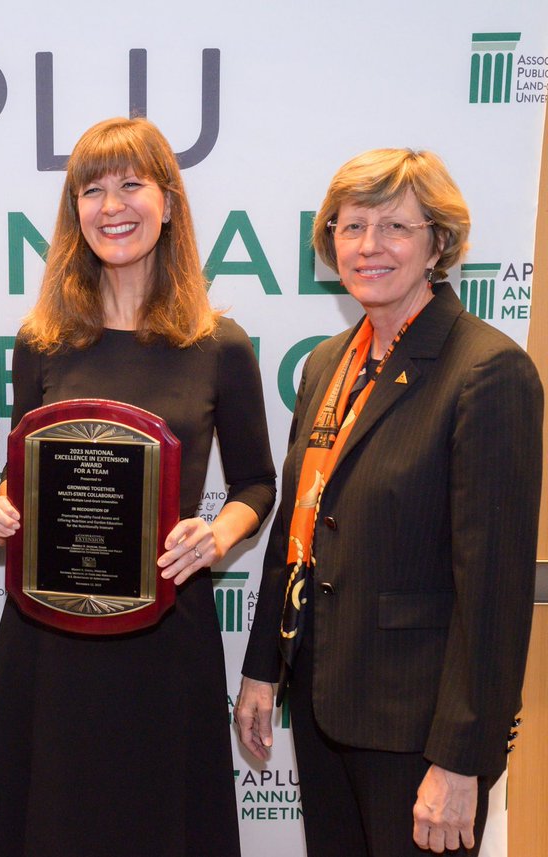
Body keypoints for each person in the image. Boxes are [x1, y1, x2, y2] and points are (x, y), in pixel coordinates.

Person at [0, 116, 276, 857]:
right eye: (92, 189)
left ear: (168, 201)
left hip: (166, 632)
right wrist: (6, 509)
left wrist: (219, 533)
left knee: (160, 819)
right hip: (50, 632)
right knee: (48, 818)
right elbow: (24, 469)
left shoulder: (219, 344)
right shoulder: (40, 340)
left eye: (132, 184)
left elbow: (257, 483)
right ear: (75, 210)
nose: (113, 205)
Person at [235, 148, 542, 857]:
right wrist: (262, 669)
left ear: (438, 242)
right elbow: (297, 529)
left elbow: (493, 589)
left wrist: (462, 758)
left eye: (394, 226)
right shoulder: (327, 363)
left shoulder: (487, 371)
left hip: (420, 731)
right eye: (351, 226)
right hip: (323, 704)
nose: (369, 246)